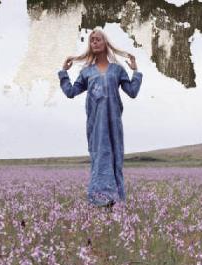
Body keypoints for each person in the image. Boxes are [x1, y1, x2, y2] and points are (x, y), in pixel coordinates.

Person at [58, 28, 143, 208]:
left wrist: (136, 72)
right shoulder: (87, 72)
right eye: (92, 40)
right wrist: (63, 73)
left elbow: (132, 92)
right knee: (100, 157)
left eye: (98, 40)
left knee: (115, 158)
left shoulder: (117, 70)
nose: (94, 42)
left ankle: (115, 201)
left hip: (114, 123)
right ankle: (100, 200)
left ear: (105, 43)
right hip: (96, 124)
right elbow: (71, 92)